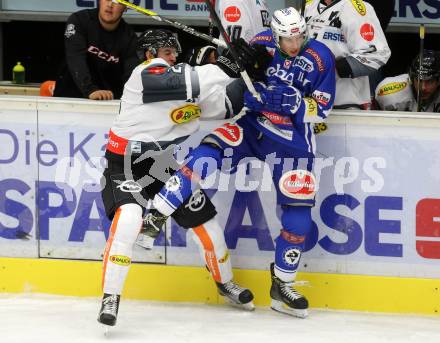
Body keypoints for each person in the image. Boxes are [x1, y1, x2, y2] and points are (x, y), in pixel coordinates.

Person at [145, 7, 336, 318]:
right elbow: (233, 80)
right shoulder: (260, 42)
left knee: (298, 220)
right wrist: (243, 82)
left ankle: (283, 285)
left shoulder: (320, 56)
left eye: (299, 36)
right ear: (276, 34)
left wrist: (296, 103)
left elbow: (323, 108)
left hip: (293, 140)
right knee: (205, 156)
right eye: (288, 38)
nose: (294, 43)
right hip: (251, 127)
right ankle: (155, 216)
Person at [97, 28, 267, 327]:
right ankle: (111, 295)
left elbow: (225, 104)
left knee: (207, 225)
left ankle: (224, 282)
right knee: (129, 219)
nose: (173, 56)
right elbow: (189, 79)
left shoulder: (185, 87)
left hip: (161, 164)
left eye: (175, 51)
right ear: (150, 54)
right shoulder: (146, 74)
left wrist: (246, 73)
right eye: (166, 51)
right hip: (124, 164)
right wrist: (226, 65)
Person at [305, 0, 391, 109]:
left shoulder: (355, 7)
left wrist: (332, 69)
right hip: (308, 104)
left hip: (346, 104)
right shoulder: (309, 6)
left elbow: (377, 53)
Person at [53, 0, 139, 100]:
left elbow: (130, 76)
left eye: (117, 1)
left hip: (107, 102)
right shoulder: (79, 20)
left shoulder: (129, 37)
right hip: (68, 99)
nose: (110, 5)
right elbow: (76, 58)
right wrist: (90, 89)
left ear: (125, 7)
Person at [375, 50, 440, 112]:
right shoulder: (388, 92)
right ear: (411, 78)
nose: (423, 88)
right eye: (419, 80)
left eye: (429, 81)